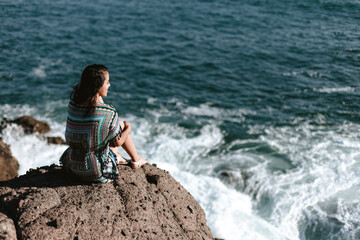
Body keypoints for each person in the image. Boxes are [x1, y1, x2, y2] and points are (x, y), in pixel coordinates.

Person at [60, 64, 147, 182]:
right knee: (121, 126)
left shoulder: (73, 104)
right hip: (96, 171)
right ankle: (136, 160)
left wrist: (98, 96)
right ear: (98, 86)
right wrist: (128, 129)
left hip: (72, 165)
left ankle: (120, 157)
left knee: (103, 134)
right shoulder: (109, 113)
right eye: (107, 82)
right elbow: (118, 142)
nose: (109, 85)